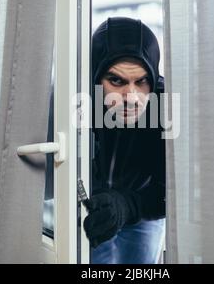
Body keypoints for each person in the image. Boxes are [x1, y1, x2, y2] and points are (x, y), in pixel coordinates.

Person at [83, 17, 166, 264]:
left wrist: (127, 206)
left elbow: (172, 190)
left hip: (143, 207)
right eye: (116, 81)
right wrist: (96, 193)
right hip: (94, 206)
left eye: (141, 81)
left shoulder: (165, 107)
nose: (131, 97)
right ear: (95, 79)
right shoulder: (77, 100)